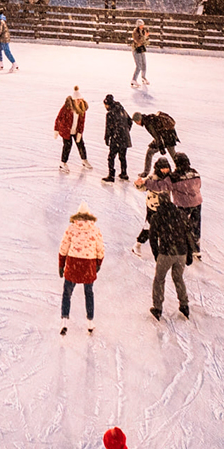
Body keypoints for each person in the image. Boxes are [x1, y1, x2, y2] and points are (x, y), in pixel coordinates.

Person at [138, 153, 203, 259]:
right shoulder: (195, 172)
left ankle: (183, 248)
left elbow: (160, 186)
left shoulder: (174, 176)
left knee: (181, 226)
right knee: (195, 225)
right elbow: (199, 184)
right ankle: (196, 248)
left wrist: (147, 183)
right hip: (197, 202)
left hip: (183, 204)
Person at [58, 201, 104, 335]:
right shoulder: (95, 229)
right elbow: (100, 248)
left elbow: (63, 247)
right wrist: (98, 263)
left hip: (73, 265)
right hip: (88, 266)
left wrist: (61, 264)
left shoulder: (71, 228)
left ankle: (64, 321)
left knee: (67, 293)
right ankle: (90, 322)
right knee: (89, 293)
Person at [147, 192, 194, 321]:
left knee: (159, 279)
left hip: (166, 253)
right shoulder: (181, 215)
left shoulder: (157, 217)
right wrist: (190, 253)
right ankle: (184, 305)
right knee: (178, 278)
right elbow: (189, 235)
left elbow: (152, 238)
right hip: (181, 253)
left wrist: (157, 254)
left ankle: (157, 308)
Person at [55, 86, 92, 172]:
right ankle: (63, 163)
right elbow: (59, 117)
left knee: (81, 144)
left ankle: (84, 160)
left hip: (76, 130)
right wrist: (56, 129)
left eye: (80, 99)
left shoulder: (82, 108)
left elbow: (82, 122)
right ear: (73, 100)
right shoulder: (67, 107)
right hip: (66, 130)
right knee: (67, 145)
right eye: (77, 100)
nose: (79, 101)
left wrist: (80, 132)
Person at [132, 111, 179, 177]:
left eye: (136, 122)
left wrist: (161, 147)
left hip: (167, 137)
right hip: (169, 134)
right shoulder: (149, 118)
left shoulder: (148, 123)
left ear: (139, 120)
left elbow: (157, 136)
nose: (137, 124)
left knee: (151, 152)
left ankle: (146, 172)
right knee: (172, 154)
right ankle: (181, 169)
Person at [102, 94, 132, 183]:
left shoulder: (110, 114)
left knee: (111, 157)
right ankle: (124, 173)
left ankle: (111, 176)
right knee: (122, 157)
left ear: (107, 104)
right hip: (125, 137)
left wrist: (107, 138)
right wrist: (126, 131)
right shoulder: (122, 109)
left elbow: (108, 128)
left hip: (116, 138)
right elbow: (130, 121)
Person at [131, 19, 150, 87]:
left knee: (144, 64)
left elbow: (145, 41)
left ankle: (143, 77)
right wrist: (145, 37)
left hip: (141, 49)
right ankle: (134, 79)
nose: (142, 26)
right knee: (138, 66)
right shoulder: (135, 32)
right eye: (141, 25)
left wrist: (145, 37)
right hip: (136, 49)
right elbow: (138, 42)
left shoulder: (143, 31)